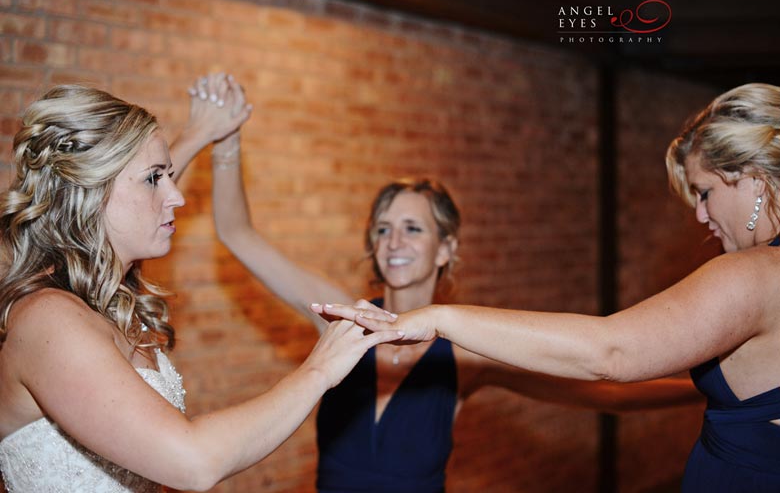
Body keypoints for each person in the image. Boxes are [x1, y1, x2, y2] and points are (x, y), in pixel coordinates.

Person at [172, 73, 703, 492]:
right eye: (382, 229)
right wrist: (227, 140)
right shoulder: (342, 317)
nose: (394, 241)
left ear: (446, 248)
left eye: (412, 228)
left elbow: (600, 390)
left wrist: (704, 392)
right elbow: (237, 233)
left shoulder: (467, 352)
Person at [323, 82, 780, 492]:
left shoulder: (750, 273)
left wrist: (441, 317)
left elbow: (610, 354)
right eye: (383, 230)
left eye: (704, 192)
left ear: (755, 182)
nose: (700, 215)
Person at [0, 84, 402, 492]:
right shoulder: (49, 322)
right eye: (156, 179)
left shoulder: (100, 304)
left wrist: (205, 132)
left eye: (169, 176)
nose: (177, 196)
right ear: (91, 190)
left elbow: (136, 185)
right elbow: (195, 462)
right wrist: (320, 369)